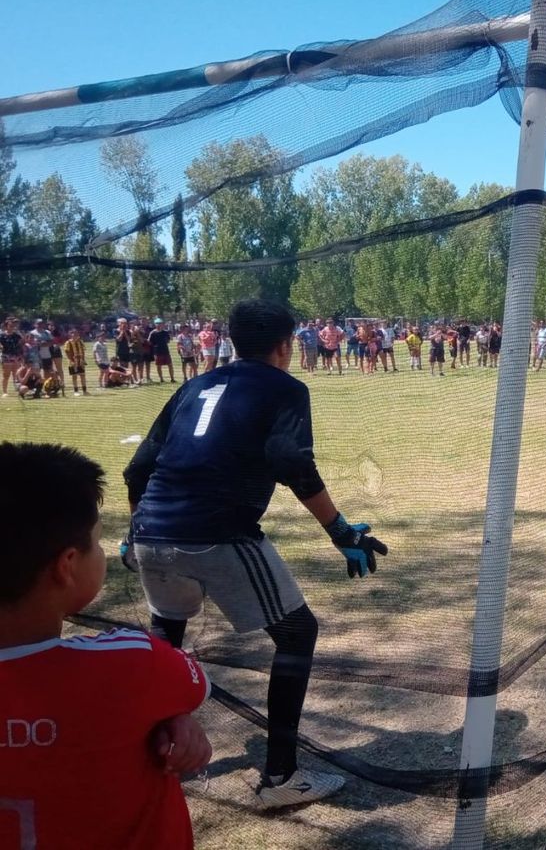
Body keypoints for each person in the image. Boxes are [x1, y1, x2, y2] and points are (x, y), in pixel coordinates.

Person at [123, 299, 388, 808]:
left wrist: (136, 529)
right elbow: (290, 461)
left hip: (151, 530)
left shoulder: (194, 384)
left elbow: (139, 468)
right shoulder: (286, 387)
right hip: (217, 532)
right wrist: (340, 532)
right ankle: (281, 779)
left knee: (167, 640)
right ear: (286, 346)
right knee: (297, 631)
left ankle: (153, 764)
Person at [0, 442, 213, 850]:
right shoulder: (132, 662)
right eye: (96, 542)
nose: (101, 553)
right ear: (66, 566)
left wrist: (165, 716)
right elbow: (193, 685)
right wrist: (170, 713)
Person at [63, 327, 89, 396]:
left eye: (76, 333)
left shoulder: (80, 341)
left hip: (80, 361)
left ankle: (84, 390)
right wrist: (71, 360)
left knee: (82, 375)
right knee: (74, 376)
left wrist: (83, 360)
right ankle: (76, 391)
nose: (75, 335)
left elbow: (83, 351)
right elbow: (67, 352)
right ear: (70, 334)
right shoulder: (68, 342)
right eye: (73, 333)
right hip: (73, 361)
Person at [2, 317, 24, 397]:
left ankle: (19, 390)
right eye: (10, 325)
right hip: (6, 356)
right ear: (6, 326)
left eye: (13, 326)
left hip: (16, 356)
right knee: (6, 375)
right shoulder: (2, 335)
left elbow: (22, 342)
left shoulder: (16, 335)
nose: (12, 327)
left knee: (16, 374)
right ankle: (4, 392)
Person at [149, 319, 175, 383]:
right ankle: (161, 379)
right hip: (157, 351)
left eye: (160, 323)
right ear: (155, 324)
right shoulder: (153, 333)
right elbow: (149, 341)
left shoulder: (165, 332)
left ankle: (172, 378)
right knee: (158, 365)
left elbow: (168, 340)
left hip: (165, 350)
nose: (159, 325)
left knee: (170, 364)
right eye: (157, 323)